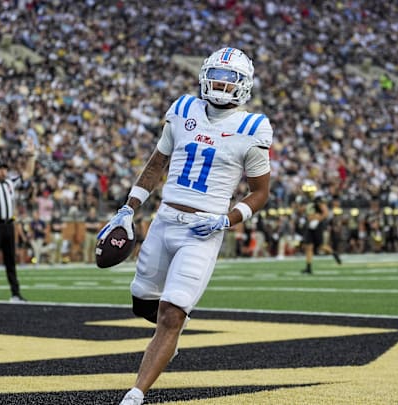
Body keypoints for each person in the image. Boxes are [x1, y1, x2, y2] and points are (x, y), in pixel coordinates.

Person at [104, 47, 273, 405]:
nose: (221, 84)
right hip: (165, 221)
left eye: (230, 79)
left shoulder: (252, 127)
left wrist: (227, 219)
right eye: (217, 75)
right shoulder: (183, 110)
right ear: (203, 75)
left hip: (203, 231)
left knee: (171, 313)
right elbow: (155, 166)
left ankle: (136, 394)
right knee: (142, 303)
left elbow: (260, 193)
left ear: (244, 86)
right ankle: (169, 342)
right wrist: (128, 209)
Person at [0, 136, 36, 306]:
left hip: (9, 225)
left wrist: (31, 156)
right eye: (0, 169)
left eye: (5, 169)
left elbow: (28, 173)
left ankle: (15, 293)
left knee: (11, 261)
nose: (3, 172)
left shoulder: (10, 183)